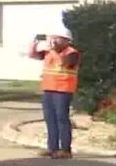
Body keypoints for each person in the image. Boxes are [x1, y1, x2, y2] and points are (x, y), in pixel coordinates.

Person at [28, 26, 81, 158]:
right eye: (53, 38)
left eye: (57, 38)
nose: (54, 41)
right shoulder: (49, 52)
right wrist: (33, 45)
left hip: (63, 90)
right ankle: (52, 148)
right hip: (48, 89)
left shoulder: (72, 53)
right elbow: (34, 55)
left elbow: (65, 64)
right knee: (50, 119)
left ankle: (65, 150)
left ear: (66, 40)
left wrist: (54, 50)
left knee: (62, 119)